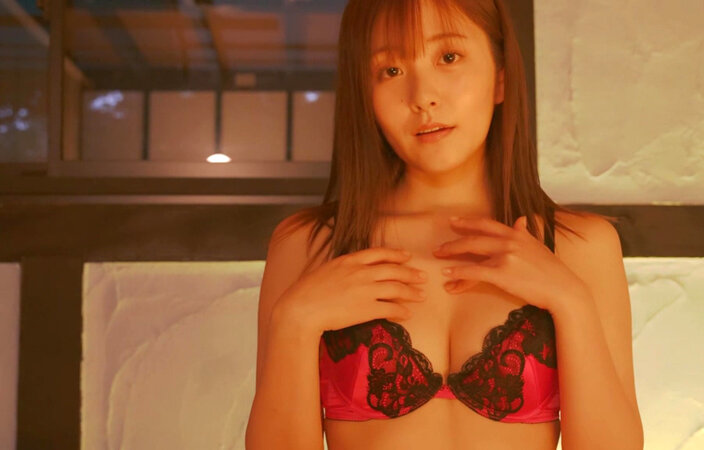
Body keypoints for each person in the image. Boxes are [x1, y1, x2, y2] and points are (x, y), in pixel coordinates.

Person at [246, 0, 644, 449]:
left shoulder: (581, 246)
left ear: (500, 77)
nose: (422, 97)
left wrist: (570, 301)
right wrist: (295, 322)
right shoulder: (307, 245)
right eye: (391, 70)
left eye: (448, 57)